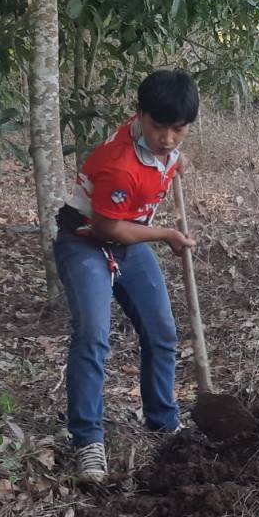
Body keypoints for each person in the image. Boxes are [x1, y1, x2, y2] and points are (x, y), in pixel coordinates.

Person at [53, 70, 198, 482]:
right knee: (93, 336)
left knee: (162, 331)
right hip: (86, 242)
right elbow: (106, 229)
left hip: (129, 242)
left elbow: (168, 156)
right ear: (140, 116)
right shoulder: (118, 163)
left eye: (179, 130)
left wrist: (175, 162)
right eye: (158, 127)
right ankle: (87, 440)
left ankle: (163, 422)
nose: (168, 139)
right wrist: (167, 234)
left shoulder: (165, 148)